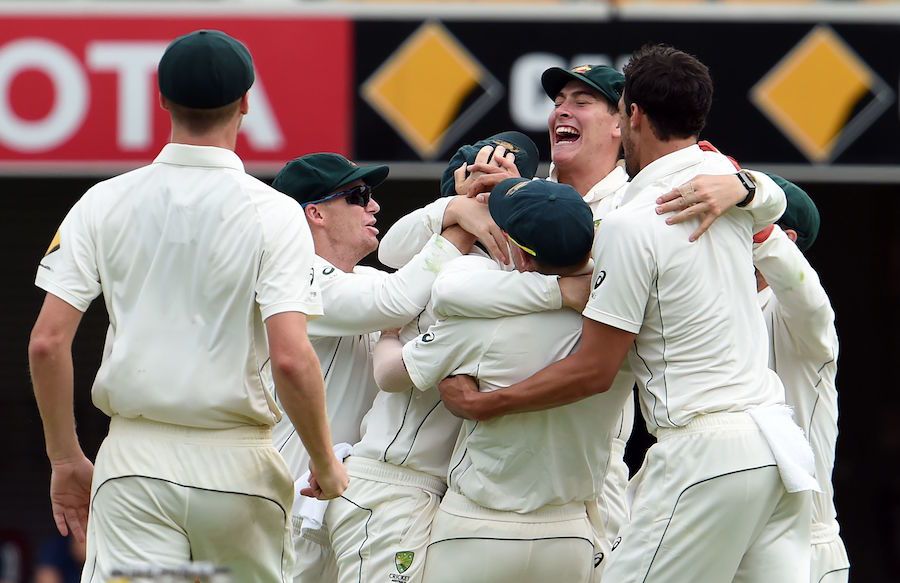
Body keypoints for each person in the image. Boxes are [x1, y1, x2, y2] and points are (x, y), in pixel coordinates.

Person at [439, 44, 816, 582]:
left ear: (631, 115)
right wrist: (748, 184)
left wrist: (489, 403)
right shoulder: (723, 184)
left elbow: (595, 370)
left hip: (703, 452)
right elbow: (774, 200)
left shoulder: (630, 223)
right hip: (779, 450)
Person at [28, 30, 346, 582]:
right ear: (246, 102)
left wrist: (64, 458)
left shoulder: (103, 201)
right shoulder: (275, 214)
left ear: (162, 100)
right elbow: (292, 359)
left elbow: (47, 343)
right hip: (239, 468)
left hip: (136, 466)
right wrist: (324, 464)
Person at [376, 178, 634, 583]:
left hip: (478, 531)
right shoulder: (620, 325)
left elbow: (390, 375)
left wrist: (389, 334)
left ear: (523, 256)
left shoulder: (478, 326)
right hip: (569, 535)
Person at [268, 152, 474, 583]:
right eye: (358, 196)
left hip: (334, 501)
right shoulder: (292, 274)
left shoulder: (356, 279)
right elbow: (397, 299)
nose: (374, 206)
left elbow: (417, 288)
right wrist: (458, 211)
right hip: (284, 507)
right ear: (316, 212)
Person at [753, 178, 849, 582]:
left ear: (783, 240)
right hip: (730, 535)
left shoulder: (802, 318)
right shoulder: (716, 304)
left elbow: (806, 298)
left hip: (805, 548)